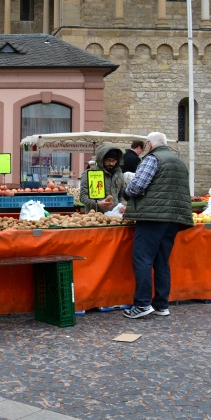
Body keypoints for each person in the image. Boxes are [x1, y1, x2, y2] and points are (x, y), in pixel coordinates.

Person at [122, 132, 193, 319]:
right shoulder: (178, 162)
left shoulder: (152, 159)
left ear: (149, 144)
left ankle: (142, 304)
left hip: (153, 217)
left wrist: (126, 192)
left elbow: (137, 186)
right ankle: (161, 304)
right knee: (162, 260)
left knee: (142, 259)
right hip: (174, 218)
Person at [78, 144, 127, 213]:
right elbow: (83, 197)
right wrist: (97, 204)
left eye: (114, 161)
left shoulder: (119, 175)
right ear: (101, 160)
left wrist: (123, 204)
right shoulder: (90, 174)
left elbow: (122, 194)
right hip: (95, 216)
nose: (111, 163)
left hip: (115, 215)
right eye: (108, 160)